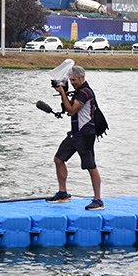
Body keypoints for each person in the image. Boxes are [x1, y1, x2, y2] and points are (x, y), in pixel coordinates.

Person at [47, 65, 103, 210]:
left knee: (91, 166)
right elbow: (67, 109)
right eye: (70, 80)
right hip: (75, 134)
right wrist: (62, 93)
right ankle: (63, 193)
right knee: (58, 159)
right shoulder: (78, 92)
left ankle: (98, 200)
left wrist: (64, 94)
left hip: (85, 134)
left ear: (82, 78)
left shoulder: (85, 92)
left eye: (74, 80)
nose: (72, 82)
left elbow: (71, 111)